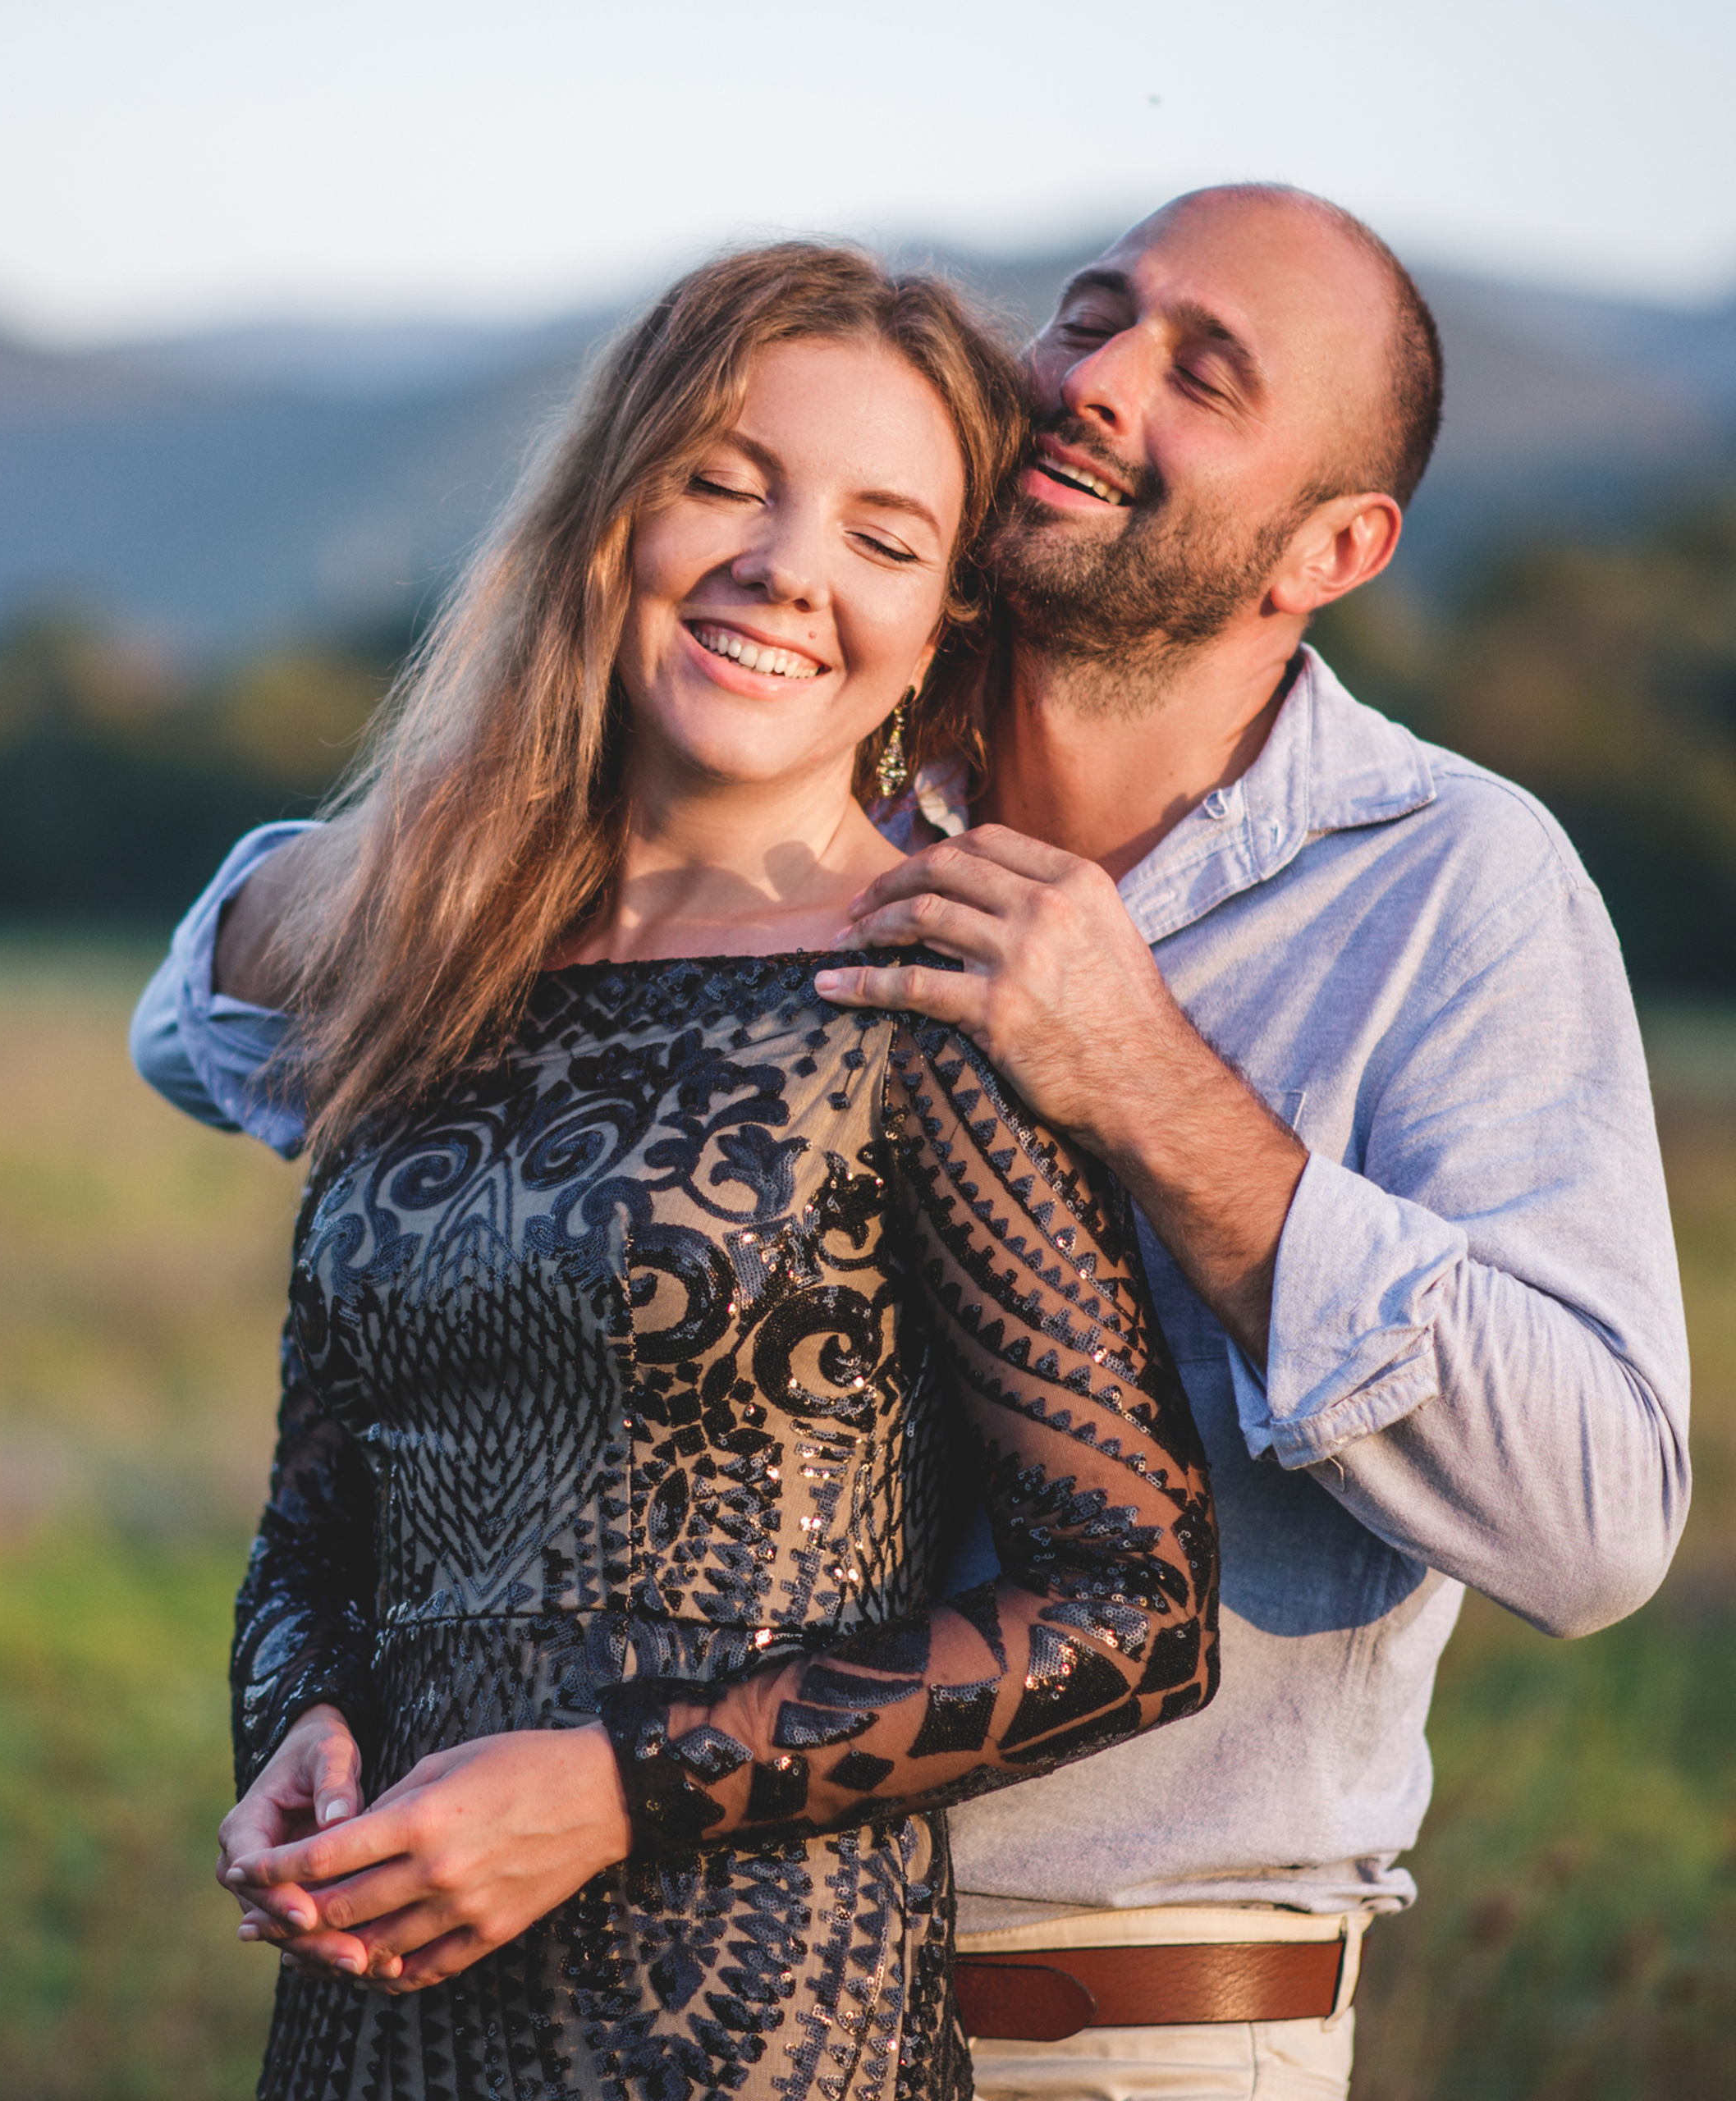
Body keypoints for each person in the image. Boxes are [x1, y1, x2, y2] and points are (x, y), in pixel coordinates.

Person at [135, 188, 1690, 2100]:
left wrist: (1145, 1079)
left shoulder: (1450, 883)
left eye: (1201, 370)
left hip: (1105, 2014)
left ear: (1333, 543)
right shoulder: (807, 759)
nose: (1099, 378)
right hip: (510, 1956)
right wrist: (477, 842)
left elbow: (1594, 1521)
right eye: (1092, 314)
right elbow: (220, 1038)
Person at [163, 242, 1220, 2101]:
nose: (784, 564)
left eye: (883, 537)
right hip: (376, 1991)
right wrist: (293, 1721)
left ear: (940, 626)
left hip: (745, 2016)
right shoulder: (435, 955)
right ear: (610, 508)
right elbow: (316, 1513)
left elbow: (1131, 1607)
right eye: (727, 479)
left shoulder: (928, 991)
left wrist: (604, 1787)